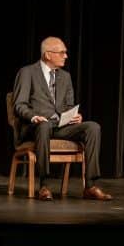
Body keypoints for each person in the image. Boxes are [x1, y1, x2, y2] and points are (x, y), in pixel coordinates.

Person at [12, 36, 112, 201]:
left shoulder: (65, 77)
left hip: (60, 126)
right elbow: (19, 105)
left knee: (93, 127)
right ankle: (44, 185)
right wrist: (34, 116)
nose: (65, 56)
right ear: (48, 55)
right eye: (62, 52)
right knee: (44, 126)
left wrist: (74, 115)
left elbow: (67, 106)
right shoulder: (27, 72)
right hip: (36, 127)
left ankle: (90, 186)